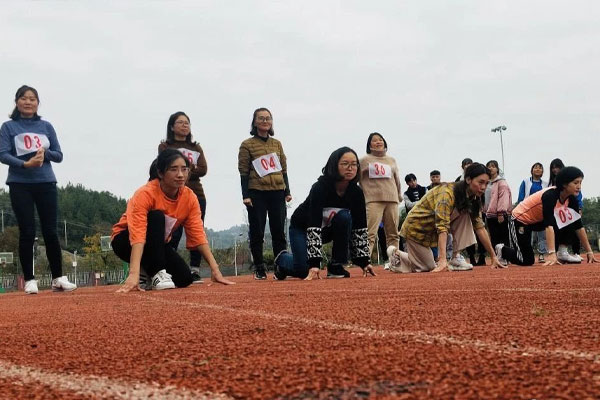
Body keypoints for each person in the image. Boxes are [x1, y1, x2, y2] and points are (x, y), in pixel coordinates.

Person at [111, 149, 234, 292]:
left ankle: (148, 272)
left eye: (184, 169)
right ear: (161, 173)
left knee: (184, 278)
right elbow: (137, 235)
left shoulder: (189, 198)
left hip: (156, 245)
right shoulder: (144, 194)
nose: (181, 175)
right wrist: (133, 274)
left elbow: (198, 235)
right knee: (157, 216)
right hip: (125, 241)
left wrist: (215, 270)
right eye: (174, 169)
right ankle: (155, 273)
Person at [0, 85, 77, 294]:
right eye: (24, 98)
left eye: (32, 99)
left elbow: (59, 155)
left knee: (51, 231)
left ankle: (58, 278)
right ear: (16, 102)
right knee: (27, 231)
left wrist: (43, 152)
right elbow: (3, 154)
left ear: (37, 103)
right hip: (19, 183)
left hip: (46, 182)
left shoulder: (46, 126)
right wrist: (25, 164)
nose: (28, 102)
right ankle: (30, 280)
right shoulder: (8, 127)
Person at [274, 147, 376, 280]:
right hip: (302, 228)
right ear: (334, 165)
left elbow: (359, 227)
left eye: (354, 164)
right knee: (304, 270)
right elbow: (313, 224)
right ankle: (282, 260)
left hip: (326, 230)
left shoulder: (356, 193)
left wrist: (364, 261)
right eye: (345, 164)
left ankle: (336, 265)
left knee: (345, 217)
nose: (350, 168)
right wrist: (314, 263)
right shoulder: (320, 188)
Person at [388, 163, 503, 273]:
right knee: (426, 267)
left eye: (486, 183)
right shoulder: (447, 194)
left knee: (465, 213)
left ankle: (455, 258)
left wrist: (493, 256)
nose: (483, 187)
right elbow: (442, 226)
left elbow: (479, 227)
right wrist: (442, 260)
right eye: (480, 182)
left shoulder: (474, 198)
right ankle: (396, 255)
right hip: (416, 230)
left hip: (431, 232)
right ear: (468, 180)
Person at [496, 166, 598, 267]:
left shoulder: (572, 200)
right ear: (564, 184)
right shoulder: (550, 196)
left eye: (580, 183)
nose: (579, 186)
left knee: (571, 219)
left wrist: (589, 252)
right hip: (520, 219)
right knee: (526, 260)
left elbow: (579, 226)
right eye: (576, 183)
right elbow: (549, 225)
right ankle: (502, 249)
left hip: (538, 220)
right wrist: (551, 253)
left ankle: (562, 252)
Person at [237, 108, 291, 280]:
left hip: (277, 191)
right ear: (254, 122)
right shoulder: (247, 144)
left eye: (268, 118)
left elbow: (283, 168)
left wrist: (287, 190)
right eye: (261, 118)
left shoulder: (277, 144)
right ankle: (259, 267)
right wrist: (245, 195)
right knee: (257, 231)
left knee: (279, 232)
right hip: (257, 192)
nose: (265, 121)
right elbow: (243, 171)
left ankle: (281, 266)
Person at [158, 111, 207, 283]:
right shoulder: (165, 146)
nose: (185, 125)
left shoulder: (196, 147)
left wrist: (185, 169)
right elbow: (162, 165)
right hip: (172, 196)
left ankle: (195, 269)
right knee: (173, 233)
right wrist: (188, 168)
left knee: (196, 231)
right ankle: (167, 267)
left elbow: (204, 169)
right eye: (180, 122)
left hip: (196, 194)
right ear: (172, 126)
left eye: (187, 122)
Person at [358, 132, 402, 259]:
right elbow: (357, 178)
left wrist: (398, 195)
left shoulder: (391, 160)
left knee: (393, 233)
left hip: (392, 199)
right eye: (374, 140)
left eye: (380, 139)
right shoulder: (363, 160)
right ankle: (365, 261)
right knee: (370, 232)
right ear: (369, 144)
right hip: (372, 200)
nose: (378, 142)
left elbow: (396, 179)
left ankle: (395, 260)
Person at [549, 158, 584, 262]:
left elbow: (578, 196)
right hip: (555, 211)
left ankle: (575, 252)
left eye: (557, 167)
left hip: (569, 208)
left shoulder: (572, 183)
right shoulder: (551, 185)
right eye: (553, 167)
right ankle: (555, 252)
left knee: (575, 225)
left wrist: (579, 208)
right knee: (555, 228)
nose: (555, 169)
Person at [517, 162, 548, 262]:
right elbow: (521, 196)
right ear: (532, 170)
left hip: (541, 212)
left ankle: (541, 254)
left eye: (540, 168)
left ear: (543, 171)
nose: (538, 169)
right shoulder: (525, 182)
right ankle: (527, 254)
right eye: (535, 167)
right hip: (528, 211)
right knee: (528, 233)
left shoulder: (545, 184)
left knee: (542, 234)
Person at [483, 160, 512, 249]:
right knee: (494, 237)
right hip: (489, 214)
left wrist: (500, 212)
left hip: (500, 214)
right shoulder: (485, 182)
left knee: (503, 236)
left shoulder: (501, 182)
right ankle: (496, 257)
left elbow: (503, 198)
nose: (490, 168)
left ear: (497, 169)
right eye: (488, 166)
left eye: (493, 166)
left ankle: (505, 256)